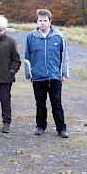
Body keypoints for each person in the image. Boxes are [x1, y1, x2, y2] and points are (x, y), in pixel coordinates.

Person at [24, 8, 69, 138]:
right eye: (40, 20)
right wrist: (29, 74)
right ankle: (40, 126)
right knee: (40, 103)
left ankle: (61, 128)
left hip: (55, 76)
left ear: (50, 21)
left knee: (57, 103)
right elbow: (27, 57)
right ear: (37, 21)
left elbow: (64, 55)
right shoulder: (31, 37)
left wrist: (63, 73)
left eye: (45, 20)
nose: (42, 23)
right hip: (38, 77)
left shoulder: (59, 36)